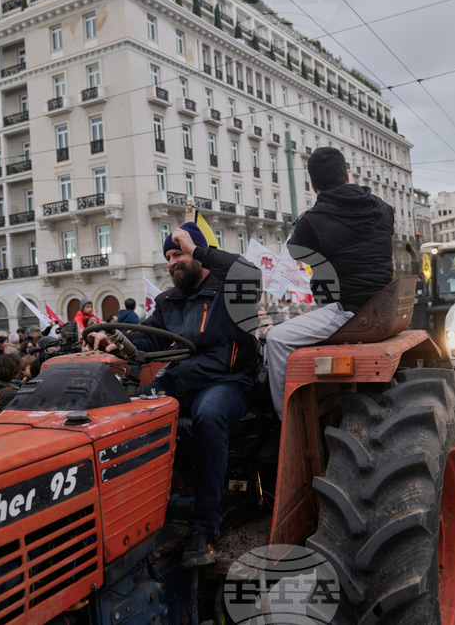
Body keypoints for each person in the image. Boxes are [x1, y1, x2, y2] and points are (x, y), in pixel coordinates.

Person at [103, 222, 259, 568]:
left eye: (181, 253)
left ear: (199, 254)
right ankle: (139, 511)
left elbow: (249, 271)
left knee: (209, 416)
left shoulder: (231, 289)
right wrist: (116, 340)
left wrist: (195, 246)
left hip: (227, 380)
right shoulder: (169, 301)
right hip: (182, 380)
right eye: (169, 256)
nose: (174, 261)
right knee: (133, 412)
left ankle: (203, 528)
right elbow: (148, 338)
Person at [264, 147, 394, 418]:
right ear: (347, 174)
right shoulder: (384, 210)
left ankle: (283, 422)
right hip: (384, 305)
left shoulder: (312, 222)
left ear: (312, 185)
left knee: (276, 338)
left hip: (348, 310)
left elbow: (296, 250)